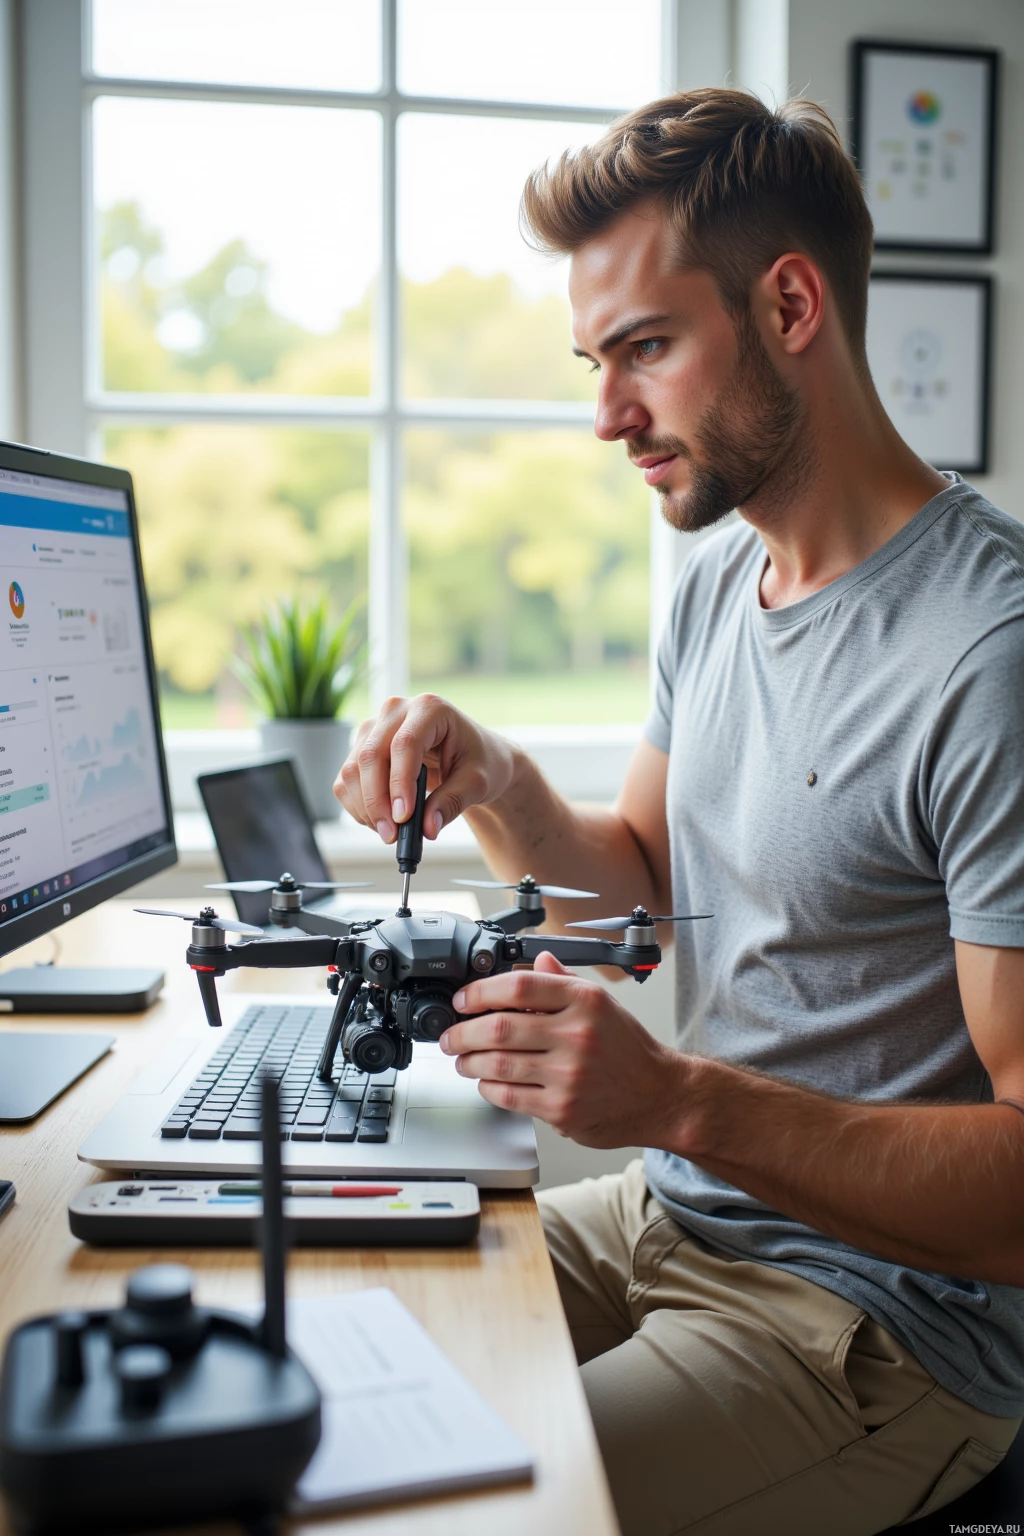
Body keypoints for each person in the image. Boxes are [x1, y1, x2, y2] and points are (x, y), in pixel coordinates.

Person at [334, 89, 1024, 1535]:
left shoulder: (990, 654)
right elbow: (640, 888)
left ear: (789, 307)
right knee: (322, 1355)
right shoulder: (718, 582)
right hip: (671, 1209)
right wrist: (497, 777)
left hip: (880, 1322)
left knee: (444, 1514)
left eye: (644, 349)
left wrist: (678, 1100)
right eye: (596, 362)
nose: (607, 417)